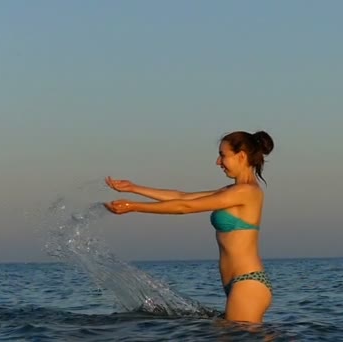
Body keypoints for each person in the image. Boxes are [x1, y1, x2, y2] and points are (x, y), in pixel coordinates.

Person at [103, 130, 275, 323]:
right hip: (238, 285)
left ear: (241, 156)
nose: (218, 162)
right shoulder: (232, 191)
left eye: (222, 155)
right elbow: (182, 197)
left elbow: (185, 207)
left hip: (248, 284)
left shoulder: (247, 191)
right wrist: (134, 188)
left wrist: (134, 207)